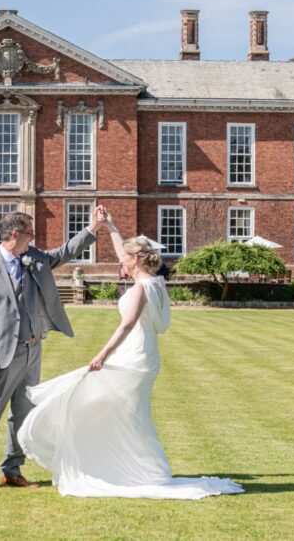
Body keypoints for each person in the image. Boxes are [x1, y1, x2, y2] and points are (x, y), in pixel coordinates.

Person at [17, 209, 243, 499]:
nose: (119, 260)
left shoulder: (140, 287)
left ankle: (122, 470)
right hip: (145, 357)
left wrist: (101, 356)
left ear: (135, 260)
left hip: (132, 359)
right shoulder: (156, 282)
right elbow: (122, 250)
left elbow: (126, 326)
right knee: (126, 415)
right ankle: (124, 467)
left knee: (100, 405)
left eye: (125, 258)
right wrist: (110, 225)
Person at [0, 208, 100, 492]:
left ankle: (12, 470)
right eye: (30, 233)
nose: (34, 237)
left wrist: (93, 227)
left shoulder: (35, 258)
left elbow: (65, 252)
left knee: (23, 414)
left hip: (32, 350)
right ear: (15, 235)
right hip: (2, 355)